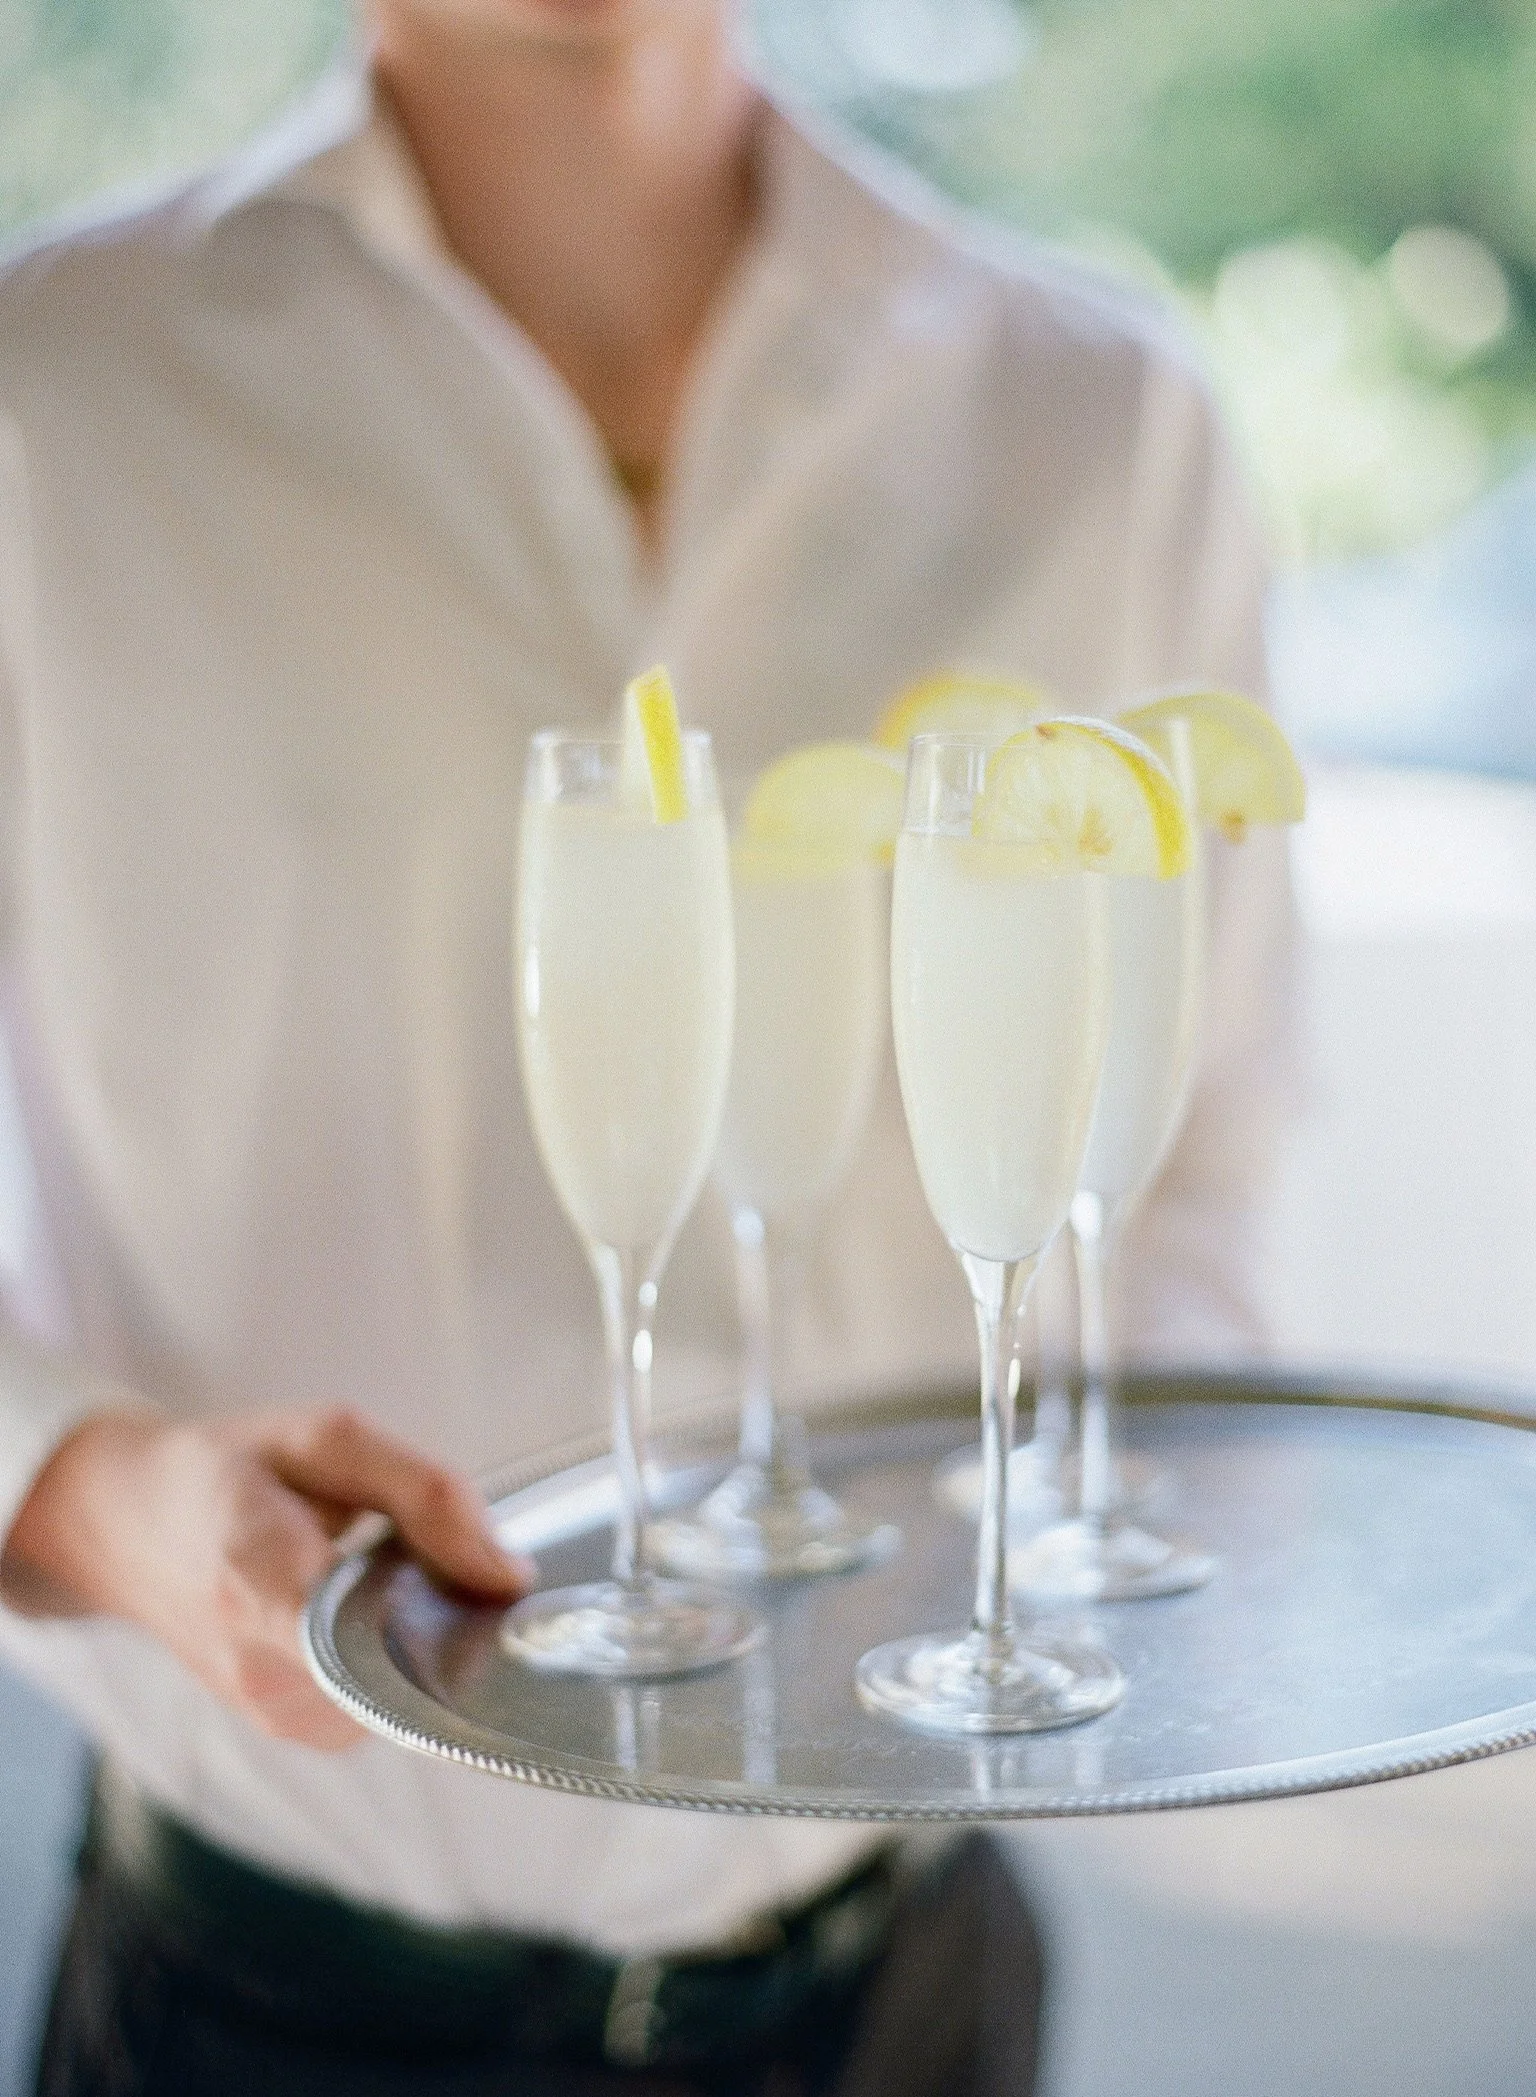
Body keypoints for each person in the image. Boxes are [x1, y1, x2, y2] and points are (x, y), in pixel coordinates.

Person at [0, 0, 1293, 2090]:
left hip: (903, 1991)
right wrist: (78, 1483)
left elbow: (1203, 1148)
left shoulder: (1102, 416)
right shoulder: (47, 397)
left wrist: (1106, 1530)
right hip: (264, 2009)